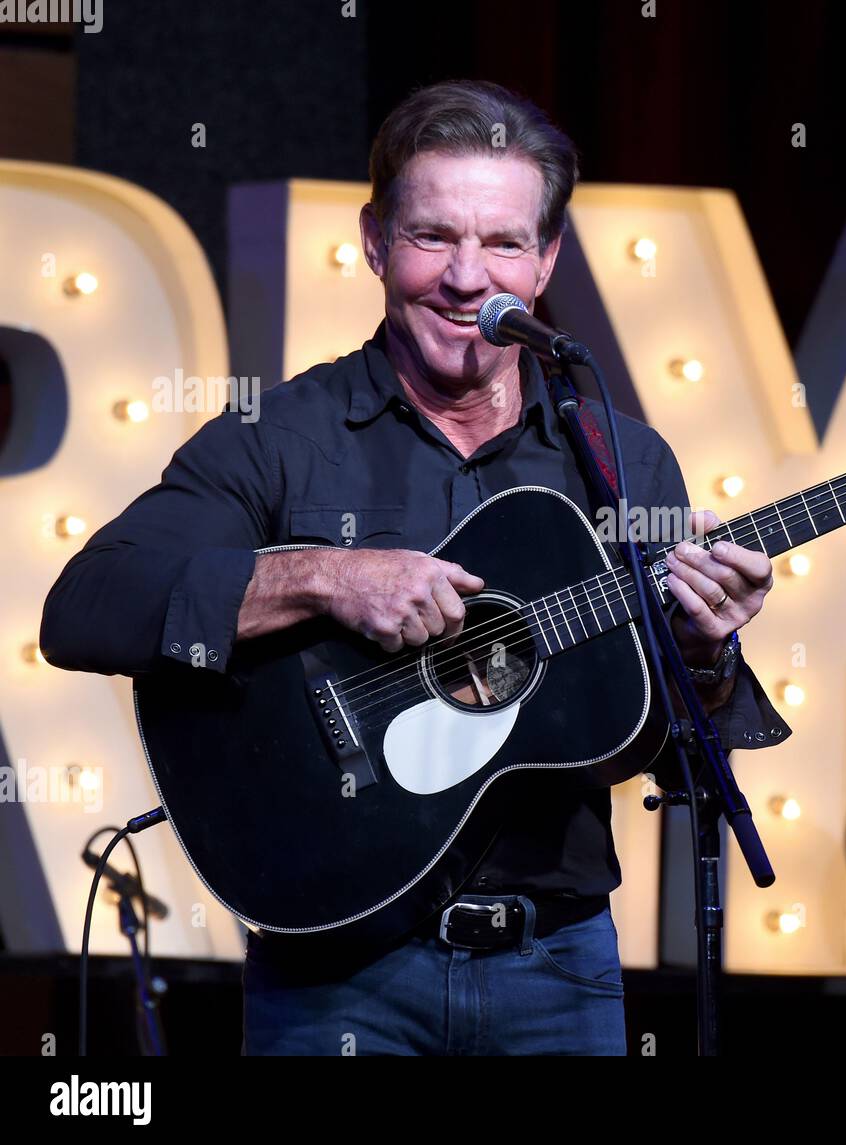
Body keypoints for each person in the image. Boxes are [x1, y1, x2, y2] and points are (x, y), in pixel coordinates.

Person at [40, 79, 792, 1056]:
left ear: (547, 259)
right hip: (334, 977)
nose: (467, 278)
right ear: (374, 242)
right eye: (434, 236)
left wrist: (703, 651)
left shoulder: (620, 460)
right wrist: (319, 577)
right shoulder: (282, 438)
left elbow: (659, 749)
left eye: (504, 243)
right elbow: (85, 608)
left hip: (560, 970)